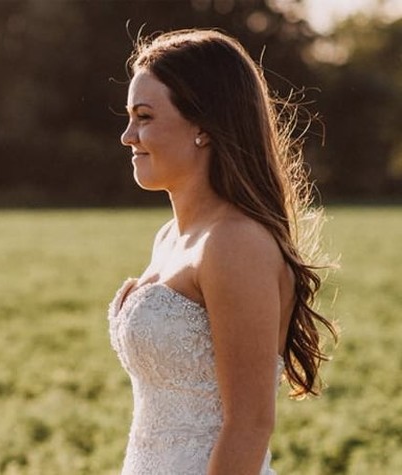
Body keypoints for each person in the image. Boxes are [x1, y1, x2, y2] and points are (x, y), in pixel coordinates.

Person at [108, 29, 337, 474]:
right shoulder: (169, 237)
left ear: (204, 127)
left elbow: (249, 426)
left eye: (145, 117)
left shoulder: (235, 244)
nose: (127, 135)